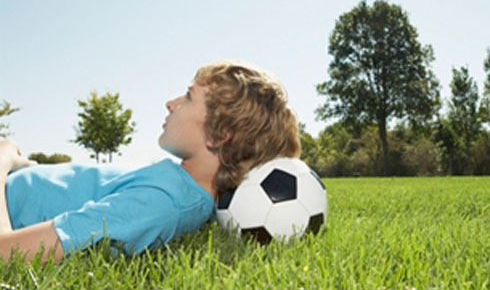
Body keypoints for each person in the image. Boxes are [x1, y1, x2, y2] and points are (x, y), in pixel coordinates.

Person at [0, 60, 301, 265]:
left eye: (188, 96)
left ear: (219, 134)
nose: (171, 103)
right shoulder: (176, 186)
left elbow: (7, 252)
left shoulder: (163, 203)